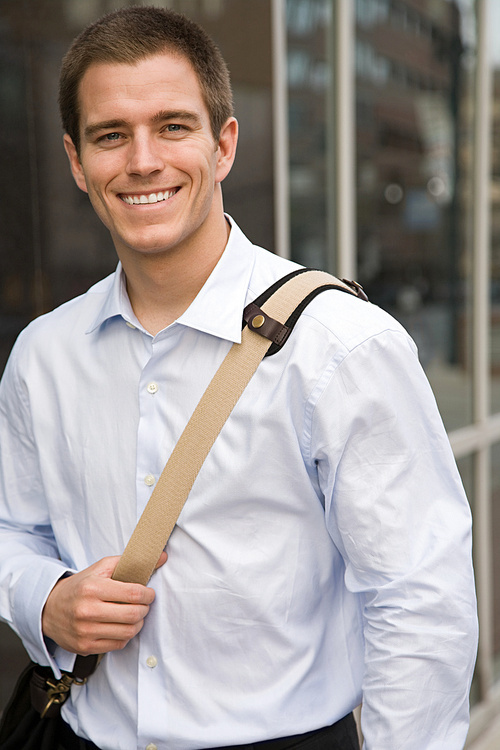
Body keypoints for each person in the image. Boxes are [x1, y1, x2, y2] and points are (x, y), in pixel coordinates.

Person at [0, 6, 477, 750]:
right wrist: (46, 601)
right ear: (75, 160)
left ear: (223, 146)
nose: (143, 160)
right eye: (110, 135)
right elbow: (12, 531)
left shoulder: (342, 347)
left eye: (173, 126)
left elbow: (418, 603)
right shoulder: (42, 355)